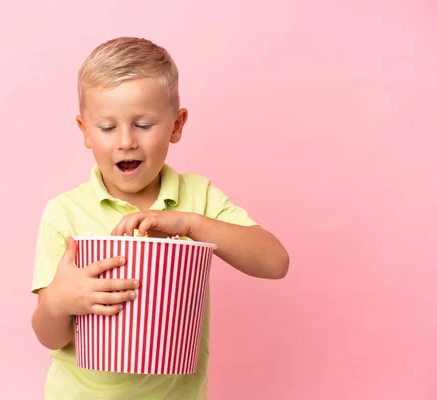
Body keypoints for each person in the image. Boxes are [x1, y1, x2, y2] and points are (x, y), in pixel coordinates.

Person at [30, 37, 289, 399]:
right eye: (107, 127)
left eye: (143, 124)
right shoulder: (65, 212)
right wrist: (60, 302)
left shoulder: (197, 197)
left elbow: (275, 262)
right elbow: (48, 336)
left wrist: (192, 224)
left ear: (176, 125)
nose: (126, 141)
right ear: (85, 131)